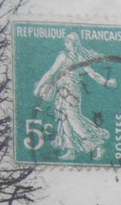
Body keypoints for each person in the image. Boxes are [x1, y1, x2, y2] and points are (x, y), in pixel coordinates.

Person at [33, 32, 114, 161]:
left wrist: (38, 87)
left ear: (72, 43)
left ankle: (96, 144)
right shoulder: (79, 57)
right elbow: (93, 74)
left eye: (67, 42)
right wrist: (106, 82)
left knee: (73, 119)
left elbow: (51, 72)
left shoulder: (64, 57)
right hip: (63, 92)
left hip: (69, 92)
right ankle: (70, 150)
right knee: (63, 119)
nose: (66, 44)